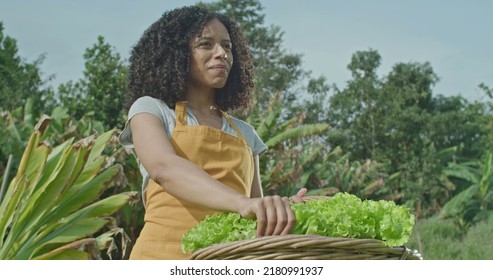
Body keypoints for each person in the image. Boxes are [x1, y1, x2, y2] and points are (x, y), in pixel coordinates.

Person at [119, 5, 306, 260]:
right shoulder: (151, 110)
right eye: (206, 44)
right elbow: (164, 169)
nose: (222, 54)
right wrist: (243, 203)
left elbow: (255, 212)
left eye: (227, 46)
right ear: (177, 53)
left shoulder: (246, 134)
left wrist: (280, 210)